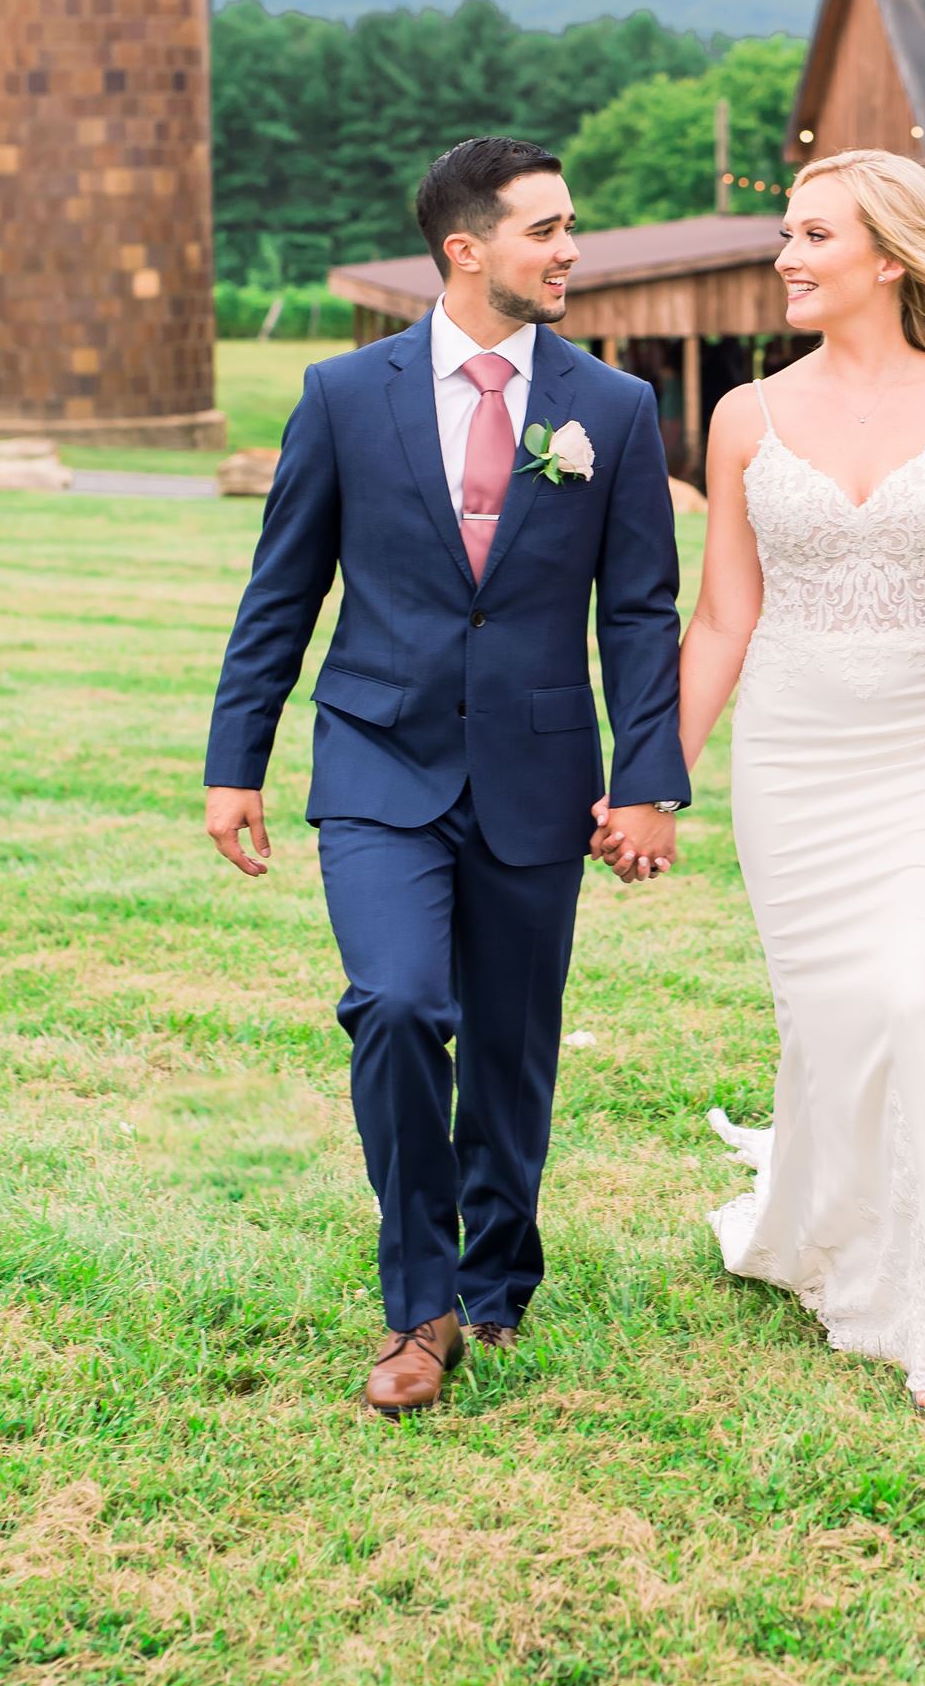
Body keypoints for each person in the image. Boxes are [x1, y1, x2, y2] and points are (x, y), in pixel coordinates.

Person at [601, 148, 925, 1412]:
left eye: (811, 235)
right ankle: (842, 1233)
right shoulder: (745, 417)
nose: (785, 256)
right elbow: (720, 616)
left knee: (922, 989)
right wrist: (652, 774)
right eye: (786, 232)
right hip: (794, 750)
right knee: (836, 1019)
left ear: (886, 254)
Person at [204, 139, 688, 1415]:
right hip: (375, 757)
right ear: (464, 249)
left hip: (538, 766)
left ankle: (497, 1276)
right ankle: (420, 1305)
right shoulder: (341, 395)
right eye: (546, 229)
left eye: (571, 225)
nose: (570, 249)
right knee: (399, 1005)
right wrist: (233, 760)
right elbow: (282, 590)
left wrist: (650, 776)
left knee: (515, 1047)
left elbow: (638, 612)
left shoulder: (613, 410)